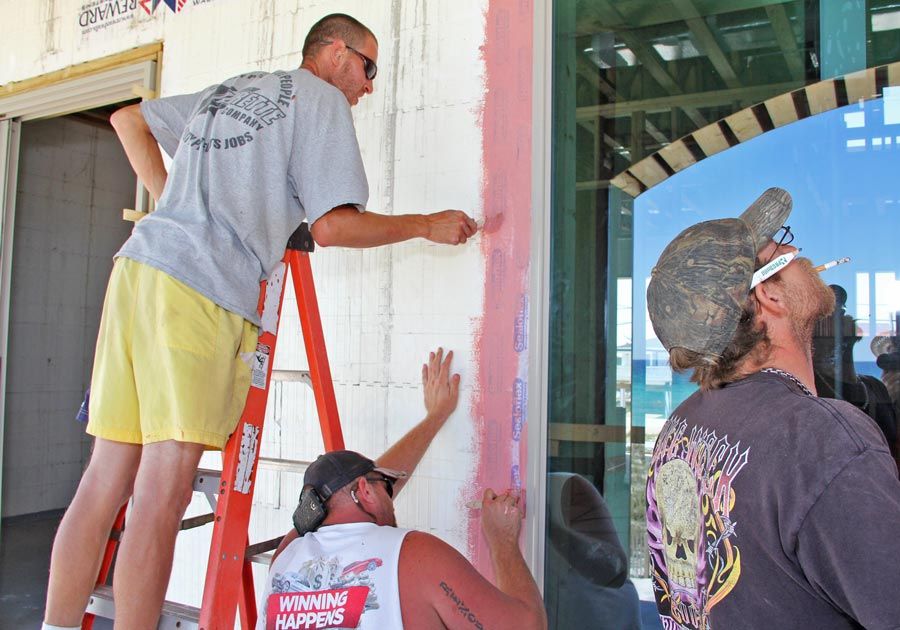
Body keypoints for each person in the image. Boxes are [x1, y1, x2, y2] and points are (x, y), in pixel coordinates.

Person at [42, 13, 477, 630]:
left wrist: (176, 212)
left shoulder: (238, 87)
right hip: (199, 292)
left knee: (103, 481)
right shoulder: (320, 99)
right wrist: (425, 225)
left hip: (139, 271)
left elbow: (128, 121)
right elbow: (331, 227)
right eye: (367, 66)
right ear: (333, 51)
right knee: (162, 497)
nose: (369, 86)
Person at [644, 188, 900, 629]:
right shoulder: (822, 440)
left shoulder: (680, 428)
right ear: (769, 297)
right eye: (784, 245)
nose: (799, 252)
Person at [258, 349, 547, 630]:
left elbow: (341, 498)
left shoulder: (284, 560)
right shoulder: (414, 555)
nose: (392, 493)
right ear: (366, 492)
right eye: (386, 485)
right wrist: (502, 542)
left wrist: (435, 418)